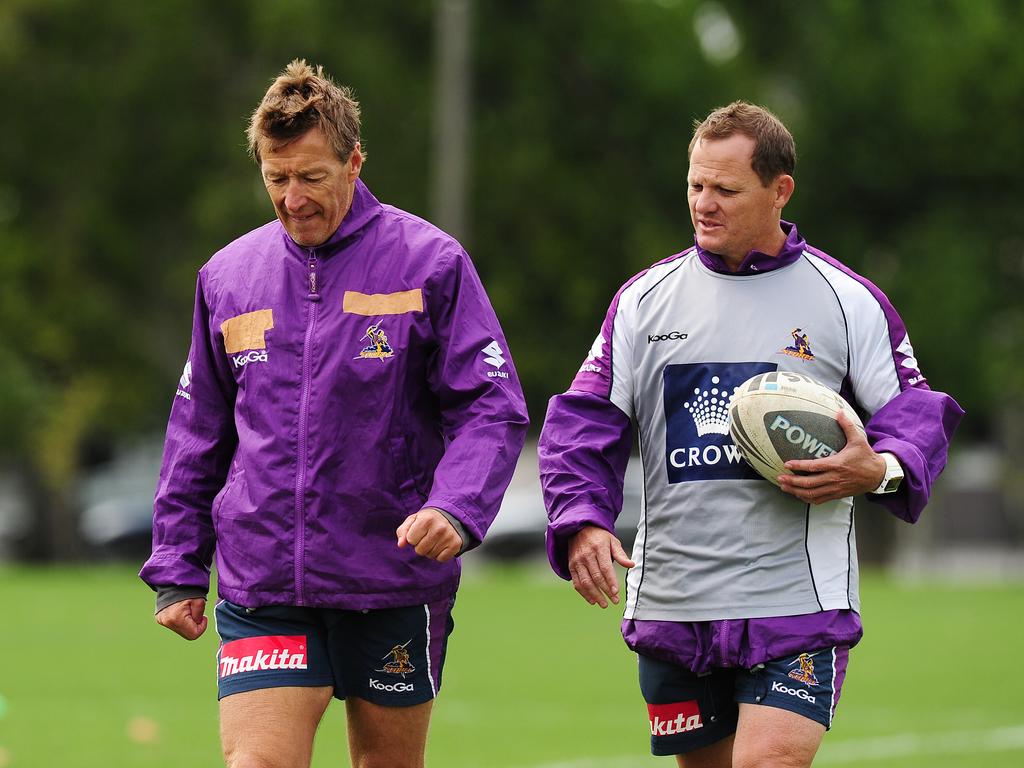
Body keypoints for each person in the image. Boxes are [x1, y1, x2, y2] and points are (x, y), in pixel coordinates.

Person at [538, 101, 963, 767]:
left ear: (779, 189)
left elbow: (915, 414)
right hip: (678, 601)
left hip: (794, 602)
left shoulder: (846, 301)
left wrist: (876, 469)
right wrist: (583, 518)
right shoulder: (643, 301)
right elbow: (583, 422)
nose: (704, 204)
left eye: (726, 190)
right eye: (695, 186)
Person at [140, 59, 528, 768]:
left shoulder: (431, 264)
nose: (292, 199)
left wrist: (457, 507)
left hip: (392, 575)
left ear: (354, 162)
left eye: (311, 177)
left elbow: (491, 407)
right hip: (263, 582)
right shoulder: (227, 277)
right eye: (275, 178)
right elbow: (198, 430)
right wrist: (177, 564)